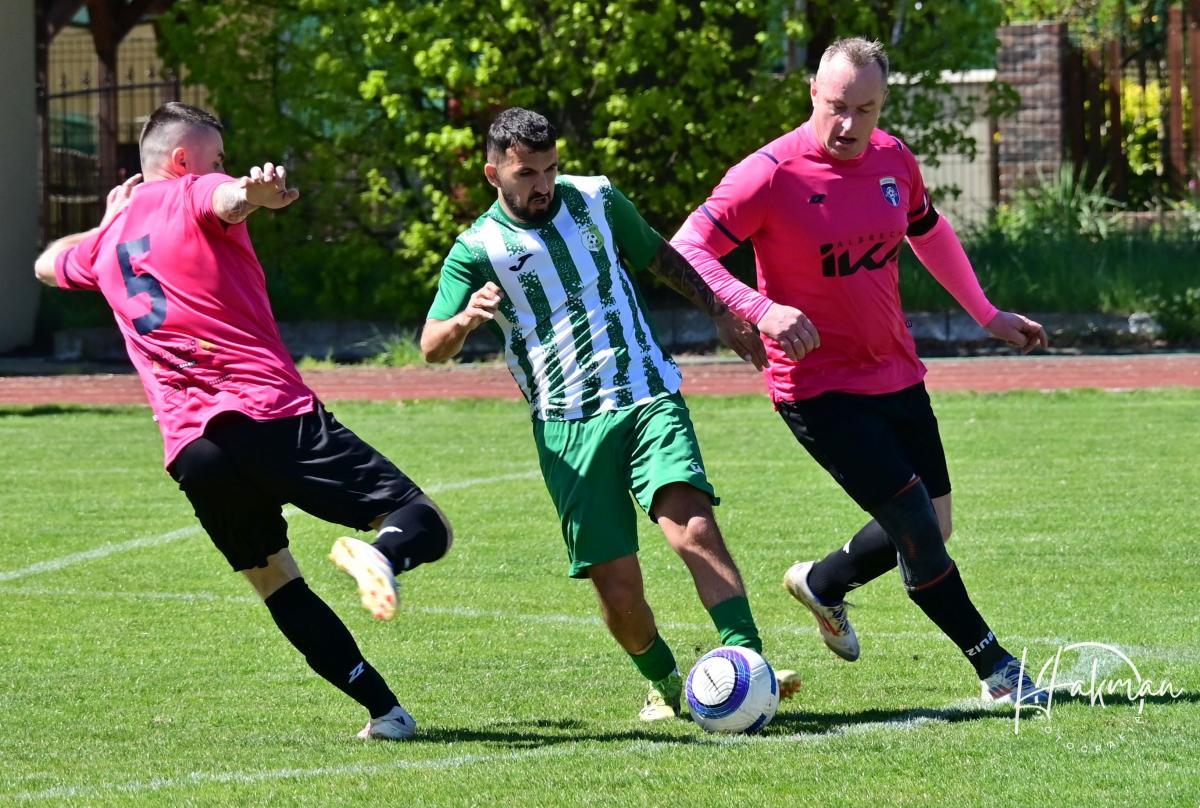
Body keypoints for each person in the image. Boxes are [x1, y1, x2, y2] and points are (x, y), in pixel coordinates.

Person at [33, 102, 454, 740]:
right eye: (217, 157)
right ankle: (381, 556)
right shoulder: (192, 191)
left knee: (273, 578)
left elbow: (47, 265)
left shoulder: (107, 240)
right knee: (424, 522)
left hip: (192, 450)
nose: (222, 167)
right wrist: (253, 192)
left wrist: (104, 221)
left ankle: (386, 714)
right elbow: (225, 200)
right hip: (266, 411)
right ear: (183, 161)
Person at [671, 38, 1050, 706]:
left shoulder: (894, 158)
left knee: (935, 523)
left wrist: (987, 314)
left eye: (865, 109)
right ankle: (997, 668)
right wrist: (758, 309)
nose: (849, 124)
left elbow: (928, 231)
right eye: (837, 106)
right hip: (816, 386)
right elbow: (685, 248)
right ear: (813, 95)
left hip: (896, 371)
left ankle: (823, 583)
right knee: (916, 528)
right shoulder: (769, 174)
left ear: (883, 105)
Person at [421, 107, 798, 720]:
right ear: (494, 174)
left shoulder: (596, 197)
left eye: (549, 169)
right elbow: (431, 346)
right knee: (617, 589)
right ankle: (667, 684)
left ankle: (749, 665)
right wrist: (465, 321)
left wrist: (720, 312)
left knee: (693, 525)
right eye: (526, 174)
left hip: (646, 391)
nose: (543, 184)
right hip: (567, 427)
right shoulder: (476, 250)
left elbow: (657, 255)